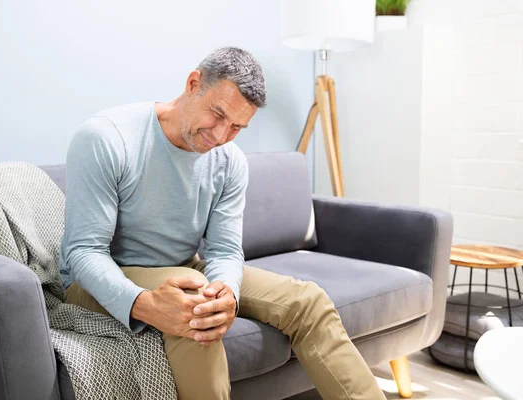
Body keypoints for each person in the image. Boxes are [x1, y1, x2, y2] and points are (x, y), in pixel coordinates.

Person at [60, 47, 386, 400]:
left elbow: (225, 249)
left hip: (183, 268)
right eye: (217, 114)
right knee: (196, 306)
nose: (219, 136)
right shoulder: (106, 138)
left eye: (236, 127)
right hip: (99, 276)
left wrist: (227, 291)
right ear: (193, 83)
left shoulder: (229, 161)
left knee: (308, 302)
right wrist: (144, 304)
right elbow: (85, 251)